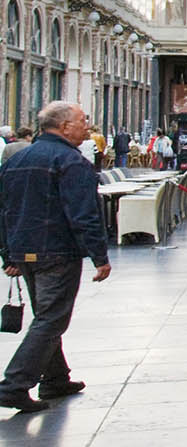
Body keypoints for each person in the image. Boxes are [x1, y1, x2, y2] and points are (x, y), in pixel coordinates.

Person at [0, 102, 111, 413]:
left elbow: (3, 210)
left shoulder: (17, 158)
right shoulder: (70, 161)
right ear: (64, 127)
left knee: (46, 315)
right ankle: (14, 385)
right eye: (82, 121)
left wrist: (8, 252)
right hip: (56, 250)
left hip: (25, 250)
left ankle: (56, 378)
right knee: (51, 319)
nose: (87, 126)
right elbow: (84, 214)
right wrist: (99, 256)